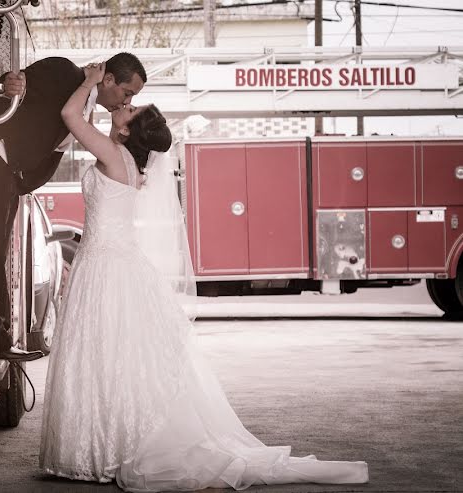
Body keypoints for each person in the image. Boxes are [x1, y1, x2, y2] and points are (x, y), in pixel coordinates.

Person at [39, 63, 370, 491]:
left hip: (105, 268)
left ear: (125, 133)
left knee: (104, 355)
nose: (127, 105)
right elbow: (81, 123)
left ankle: (103, 447)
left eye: (131, 111)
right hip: (115, 265)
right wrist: (99, 96)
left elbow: (70, 118)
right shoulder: (123, 159)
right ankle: (106, 443)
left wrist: (89, 80)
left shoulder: (111, 154)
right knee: (115, 358)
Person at [0, 53, 147, 362]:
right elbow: (13, 87)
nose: (124, 100)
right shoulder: (62, 72)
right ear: (110, 79)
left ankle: (1, 338)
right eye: (127, 93)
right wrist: (7, 84)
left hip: (12, 178)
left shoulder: (87, 104)